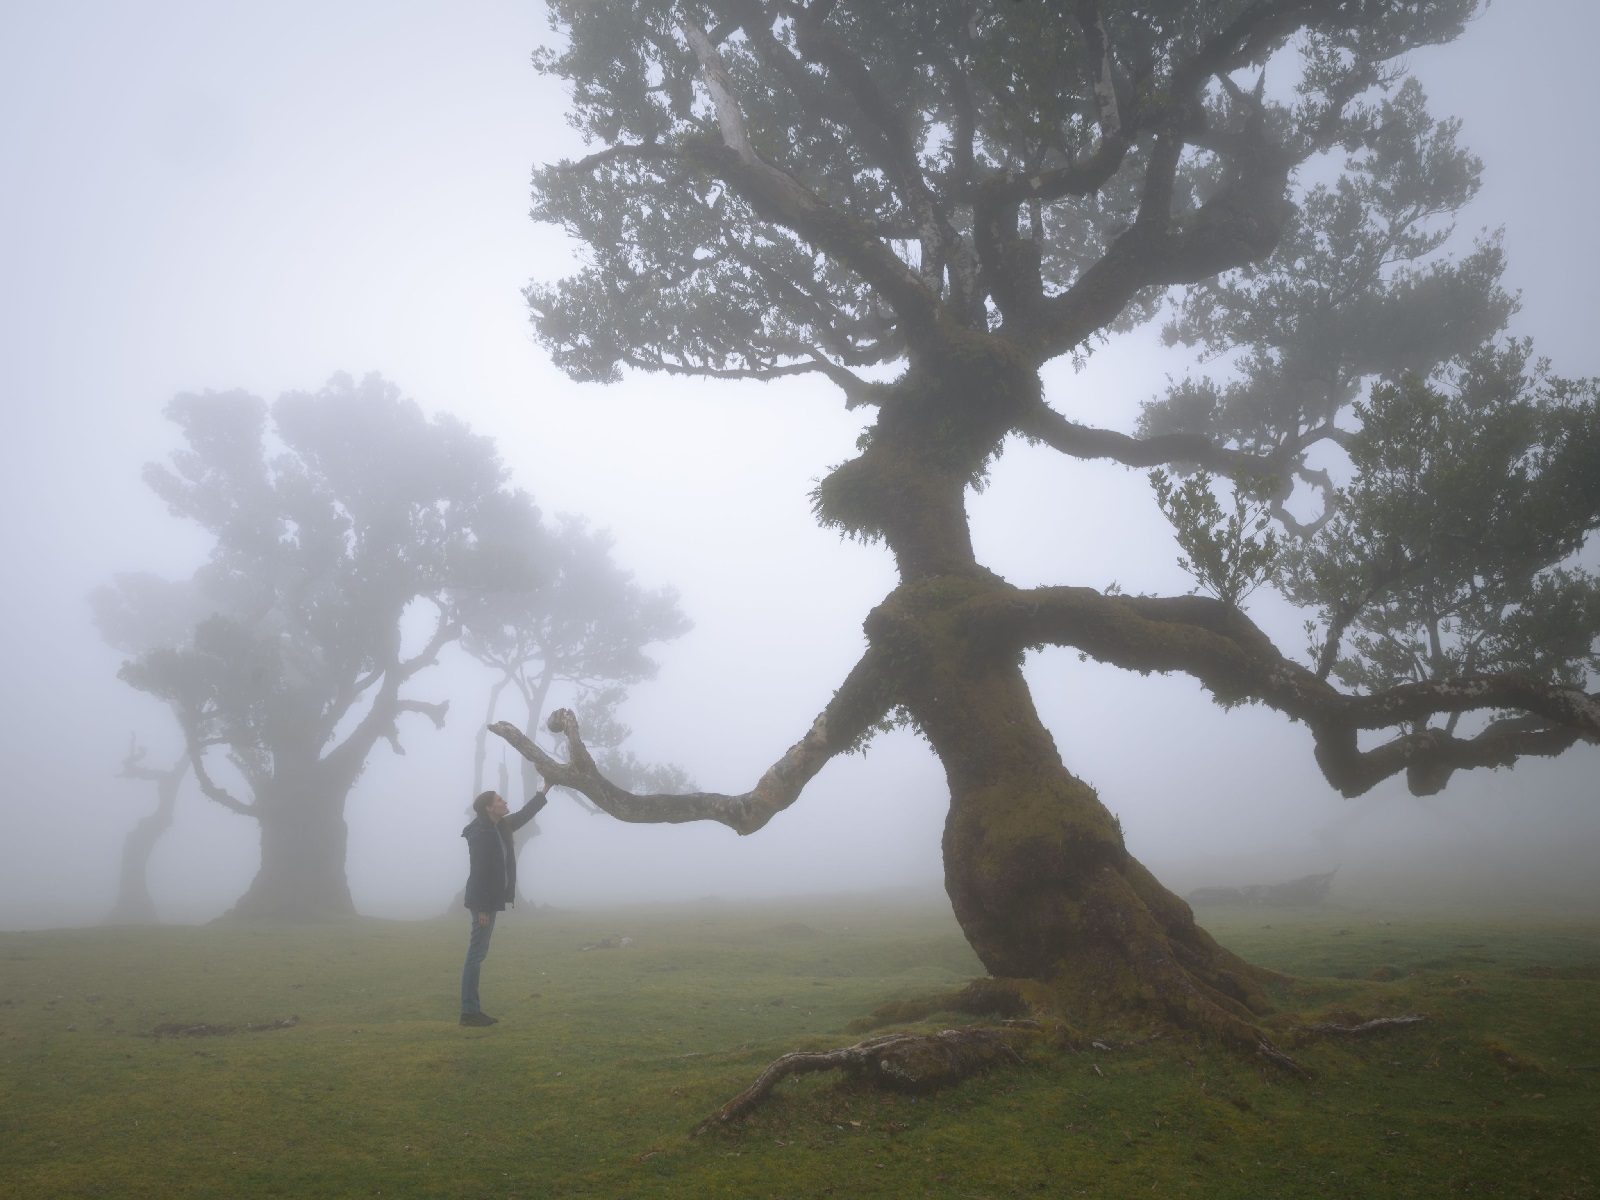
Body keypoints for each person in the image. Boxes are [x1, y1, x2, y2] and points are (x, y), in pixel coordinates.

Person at [459, 786, 546, 1026]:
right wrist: (483, 908)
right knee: (475, 955)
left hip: (488, 900)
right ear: (489, 808)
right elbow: (479, 872)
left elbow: (526, 813)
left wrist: (546, 787)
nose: (504, 801)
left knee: (478, 953)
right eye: (499, 800)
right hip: (482, 902)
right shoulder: (481, 834)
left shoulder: (500, 826)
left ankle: (470, 1010)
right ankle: (469, 1012)